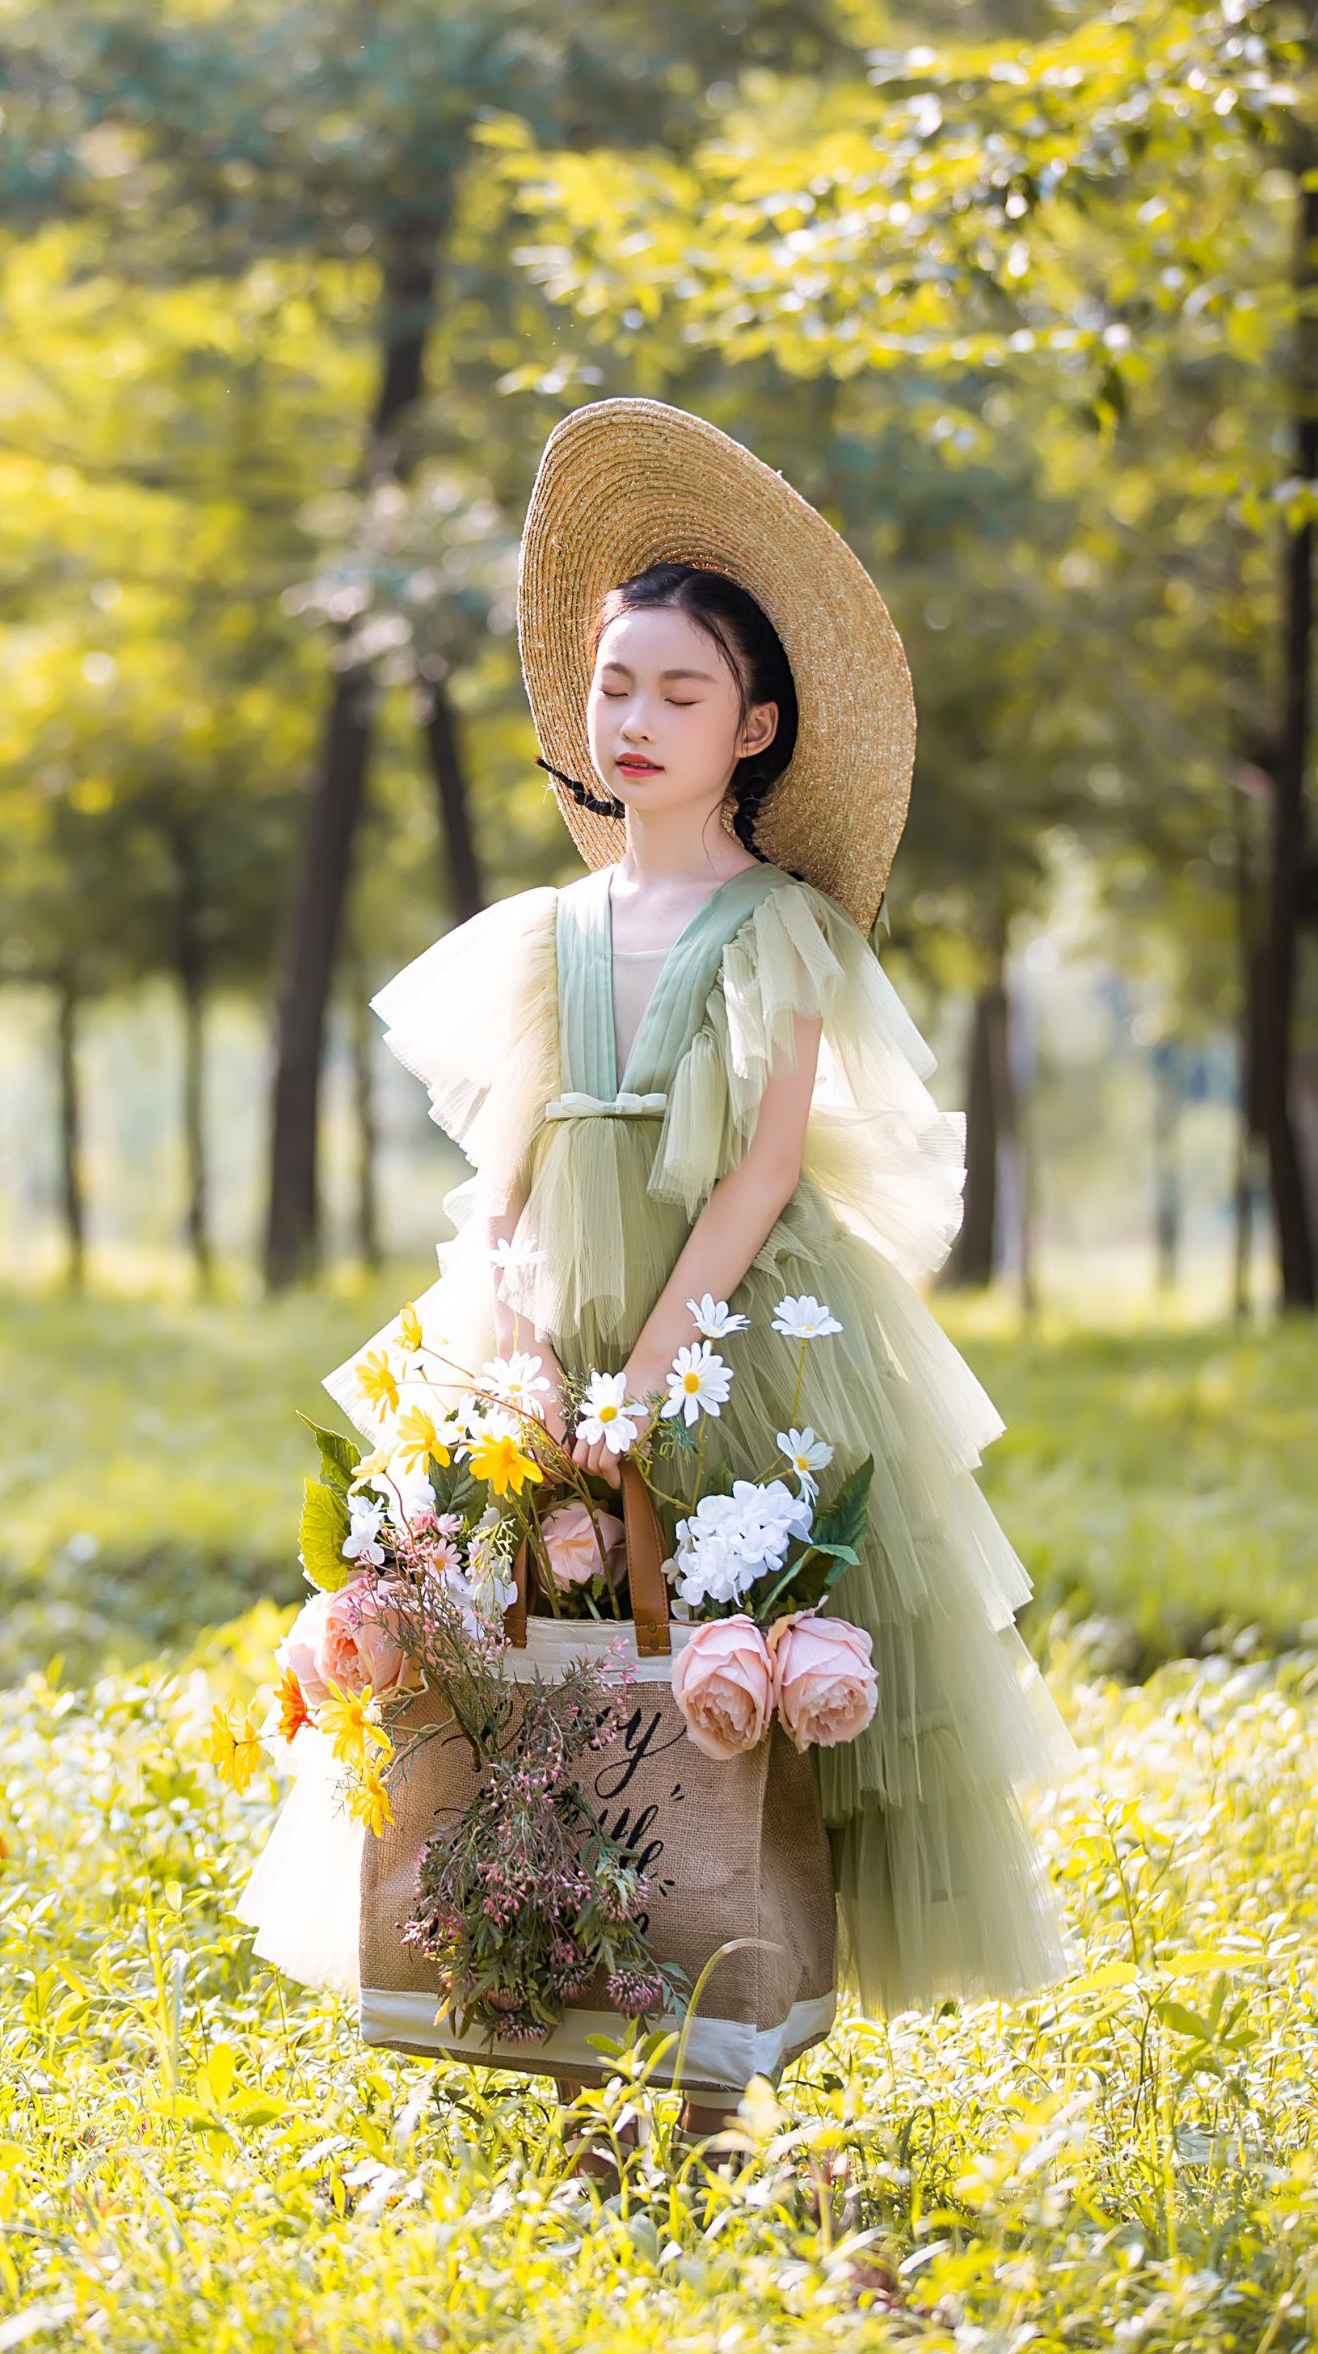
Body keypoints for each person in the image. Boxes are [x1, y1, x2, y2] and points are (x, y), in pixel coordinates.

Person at [238, 397, 1072, 2169]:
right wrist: (524, 1317)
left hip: (727, 1329)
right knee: (534, 1637)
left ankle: (715, 2055)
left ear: (753, 725)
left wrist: (660, 1352)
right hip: (553, 1309)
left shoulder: (772, 927)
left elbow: (763, 1164)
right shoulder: (547, 931)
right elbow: (524, 1146)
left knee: (720, 1629)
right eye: (615, 686)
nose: (635, 721)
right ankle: (553, 2004)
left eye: (678, 694)